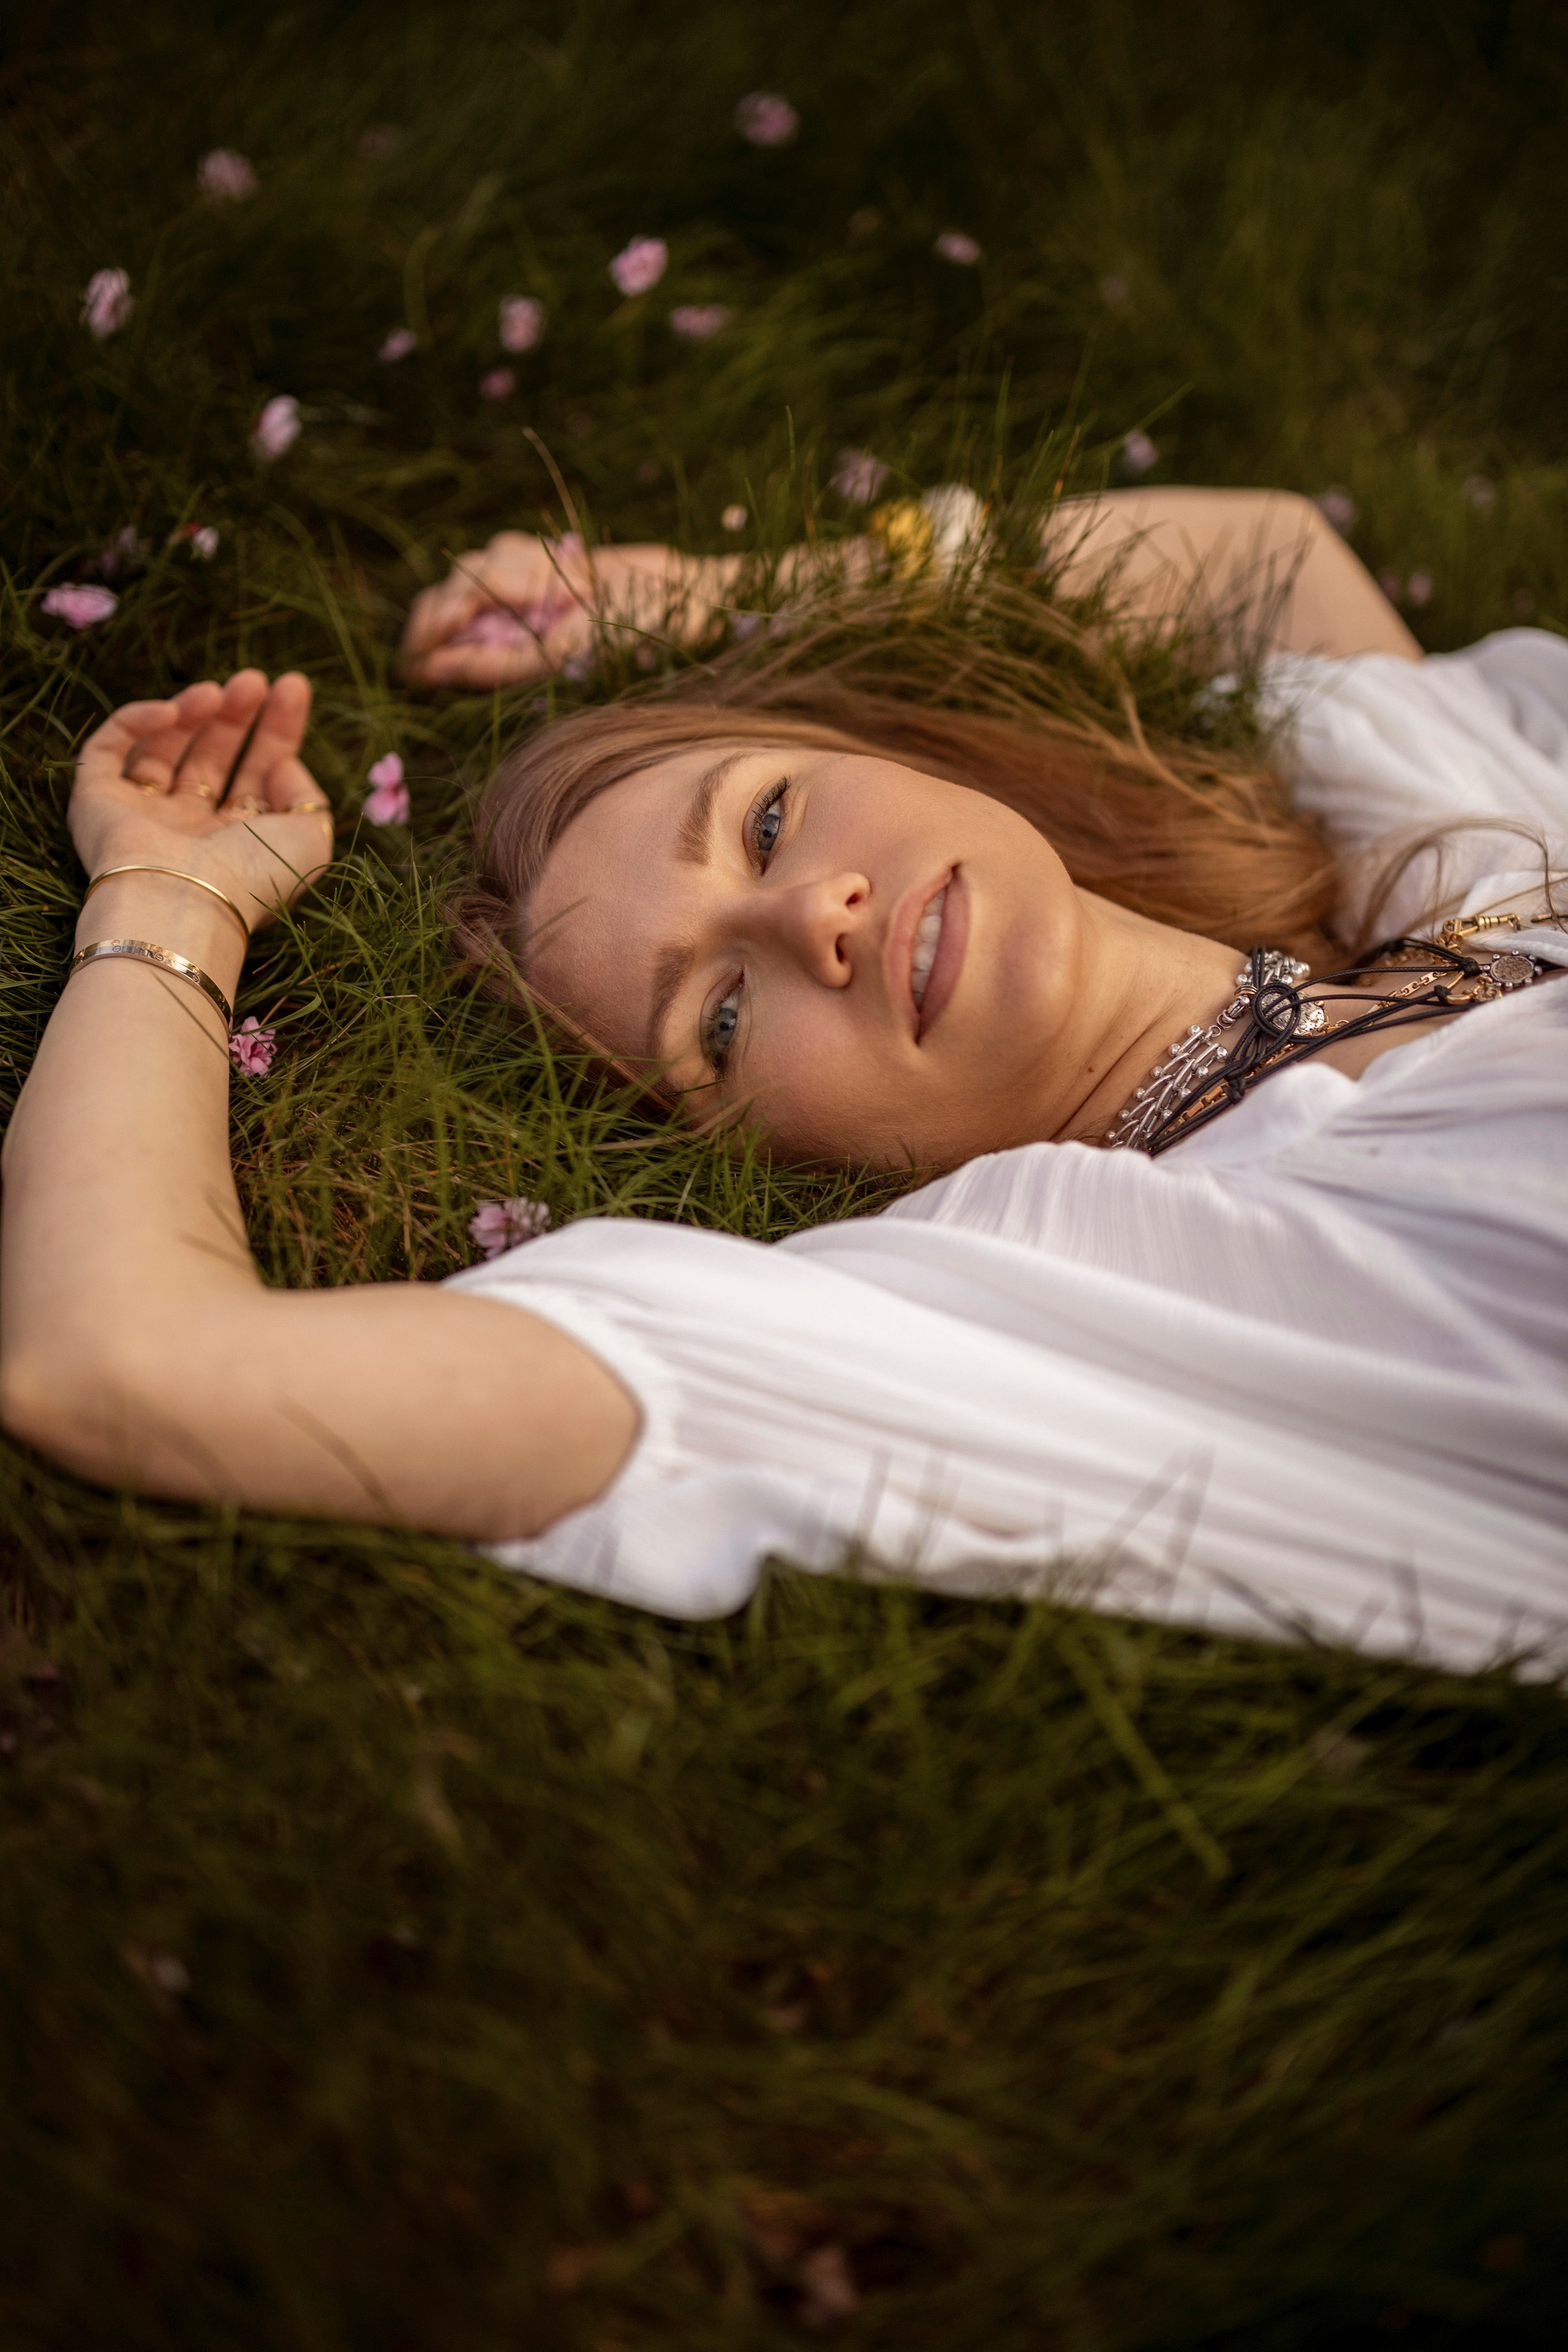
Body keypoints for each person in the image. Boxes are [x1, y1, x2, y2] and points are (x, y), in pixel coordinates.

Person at [3, 491, 1564, 1675]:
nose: (810, 915)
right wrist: (169, 903)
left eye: (763, 826)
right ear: (776, 1155)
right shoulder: (1072, 1298)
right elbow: (122, 1361)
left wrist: (707, 593)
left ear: (889, 755)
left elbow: (1271, 560)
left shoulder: (1456, 859)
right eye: (722, 1024)